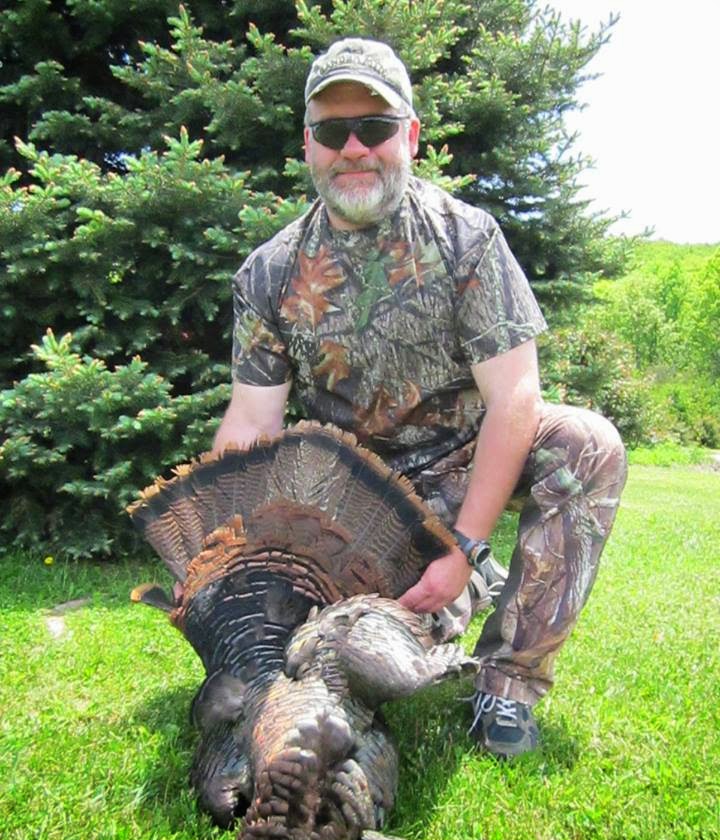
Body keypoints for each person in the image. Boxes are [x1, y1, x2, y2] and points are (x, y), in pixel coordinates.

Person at [212, 37, 628, 758]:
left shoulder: (467, 241)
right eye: (332, 131)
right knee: (361, 650)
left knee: (588, 446)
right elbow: (252, 419)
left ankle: (507, 685)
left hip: (466, 460)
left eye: (373, 127)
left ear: (409, 136)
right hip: (355, 493)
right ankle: (424, 609)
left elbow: (516, 399)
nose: (353, 148)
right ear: (308, 145)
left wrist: (463, 546)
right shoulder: (269, 272)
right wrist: (222, 552)